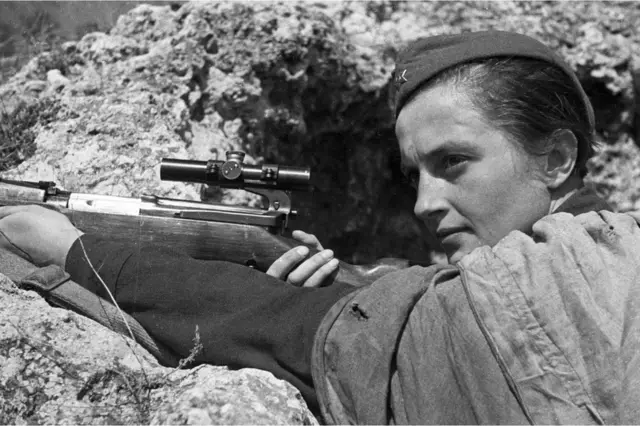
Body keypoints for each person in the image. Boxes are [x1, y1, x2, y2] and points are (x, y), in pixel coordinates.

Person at [1, 30, 640, 424]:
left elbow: (304, 334)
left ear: (556, 159)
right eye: (414, 174)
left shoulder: (577, 272)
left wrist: (72, 249)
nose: (424, 203)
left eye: (453, 162)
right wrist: (350, 284)